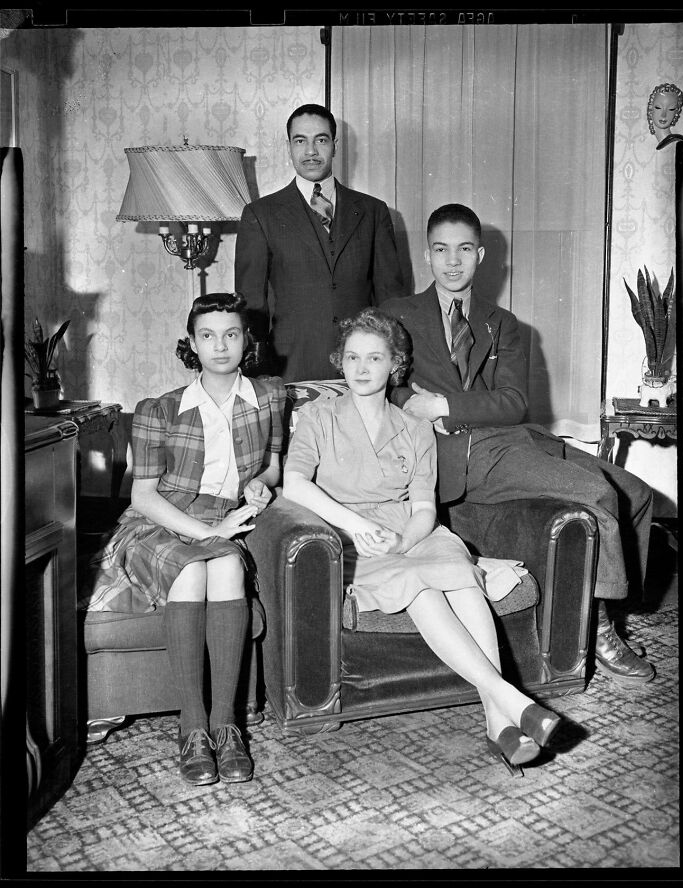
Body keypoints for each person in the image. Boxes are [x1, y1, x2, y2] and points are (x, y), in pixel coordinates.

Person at [382, 204, 656, 686]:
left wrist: (442, 405)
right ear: (427, 254)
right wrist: (411, 403)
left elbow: (512, 403)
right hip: (464, 458)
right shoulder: (398, 315)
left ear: (482, 256)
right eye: (442, 250)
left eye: (464, 250)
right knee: (598, 495)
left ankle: (614, 599)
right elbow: (379, 382)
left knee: (638, 493)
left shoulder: (503, 323)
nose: (452, 262)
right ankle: (601, 627)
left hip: (513, 439)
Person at [283, 307, 564, 770]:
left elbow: (424, 509)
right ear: (340, 361)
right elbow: (295, 485)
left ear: (395, 364)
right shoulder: (318, 416)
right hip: (352, 536)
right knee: (422, 587)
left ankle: (499, 720)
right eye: (352, 358)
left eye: (374, 358)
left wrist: (404, 540)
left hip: (415, 534)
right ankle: (507, 703)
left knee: (457, 574)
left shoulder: (414, 426)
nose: (361, 368)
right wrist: (358, 529)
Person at [83, 293, 285, 786]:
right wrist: (209, 532)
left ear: (247, 340)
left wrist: (263, 484)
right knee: (195, 568)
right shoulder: (159, 409)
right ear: (192, 344)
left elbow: (274, 462)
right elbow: (146, 496)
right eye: (208, 335)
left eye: (232, 334)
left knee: (228, 566)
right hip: (157, 522)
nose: (221, 346)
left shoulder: (271, 396)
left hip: (224, 518)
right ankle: (192, 726)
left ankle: (226, 724)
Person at [234, 103, 406, 383]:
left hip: (363, 369)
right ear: (288, 146)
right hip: (288, 369)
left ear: (335, 145)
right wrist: (258, 375)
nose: (311, 151)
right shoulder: (260, 215)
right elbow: (251, 304)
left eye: (321, 140)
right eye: (300, 140)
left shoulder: (373, 212)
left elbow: (391, 299)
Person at [647, 83, 683, 151]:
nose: (663, 115)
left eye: (671, 109)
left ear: (676, 112)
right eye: (658, 107)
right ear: (651, 108)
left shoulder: (676, 145)